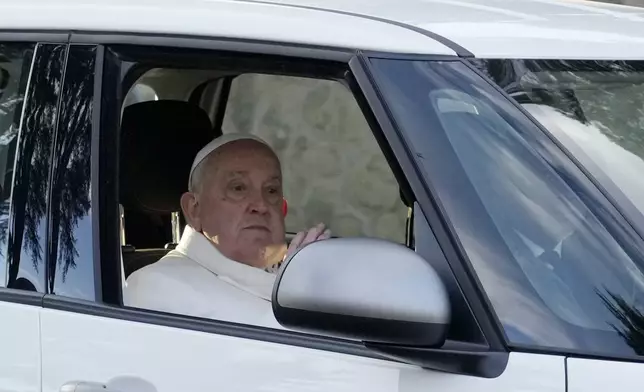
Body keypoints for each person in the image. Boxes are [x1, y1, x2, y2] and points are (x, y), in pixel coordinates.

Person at [123, 133, 331, 328]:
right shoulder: (155, 287)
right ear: (194, 210)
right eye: (238, 188)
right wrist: (298, 295)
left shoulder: (293, 268)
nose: (261, 205)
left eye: (271, 190)